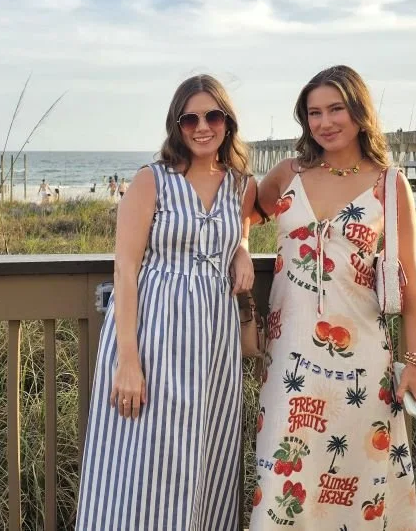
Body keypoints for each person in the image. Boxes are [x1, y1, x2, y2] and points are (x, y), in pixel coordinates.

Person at [251, 65, 416, 529]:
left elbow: (409, 275)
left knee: (359, 477)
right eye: (314, 112)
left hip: (362, 361)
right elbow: (245, 215)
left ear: (359, 112)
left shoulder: (390, 184)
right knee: (286, 484)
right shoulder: (288, 173)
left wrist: (415, 362)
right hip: (289, 360)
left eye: (336, 108)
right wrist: (237, 249)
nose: (325, 122)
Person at [77, 74, 257, 530]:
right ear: (176, 125)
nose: (202, 126)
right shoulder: (149, 181)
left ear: (227, 122)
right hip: (155, 337)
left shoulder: (240, 184)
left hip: (213, 345)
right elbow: (125, 270)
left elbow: (237, 230)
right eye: (189, 118)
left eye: (212, 116)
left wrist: (241, 251)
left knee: (206, 456)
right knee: (145, 463)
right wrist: (128, 362)